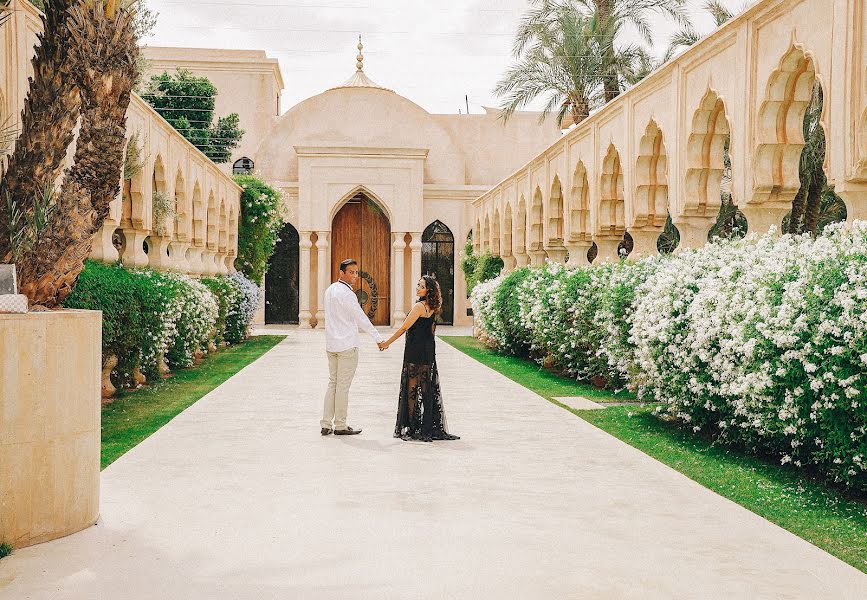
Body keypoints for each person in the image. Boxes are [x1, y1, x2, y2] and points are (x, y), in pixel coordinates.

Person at [380, 275, 460, 442]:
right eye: (417, 285)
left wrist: (386, 342)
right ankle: (428, 427)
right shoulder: (433, 306)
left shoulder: (418, 307)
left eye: (421, 286)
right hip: (428, 350)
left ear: (428, 290)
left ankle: (411, 427)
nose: (417, 288)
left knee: (411, 388)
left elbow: (403, 328)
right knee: (426, 388)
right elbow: (432, 330)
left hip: (415, 350)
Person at [320, 258, 385, 436]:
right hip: (347, 345)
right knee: (341, 386)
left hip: (331, 344)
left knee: (333, 383)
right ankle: (340, 425)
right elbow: (361, 318)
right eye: (351, 272)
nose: (355, 276)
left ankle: (326, 424)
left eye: (356, 272)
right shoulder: (347, 294)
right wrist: (377, 338)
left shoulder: (329, 290)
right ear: (341, 273)